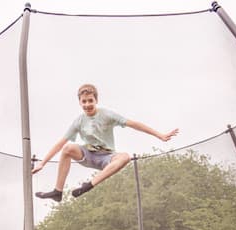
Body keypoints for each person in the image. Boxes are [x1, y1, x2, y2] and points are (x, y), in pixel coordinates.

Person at [32, 83, 179, 202]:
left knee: (125, 157)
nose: (88, 104)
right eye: (84, 101)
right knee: (67, 148)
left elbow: (134, 124)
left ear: (96, 100)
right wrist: (42, 163)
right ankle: (57, 191)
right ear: (80, 102)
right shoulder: (79, 121)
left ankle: (89, 185)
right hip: (88, 155)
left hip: (107, 158)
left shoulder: (107, 114)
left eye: (91, 100)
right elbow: (60, 143)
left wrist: (159, 135)